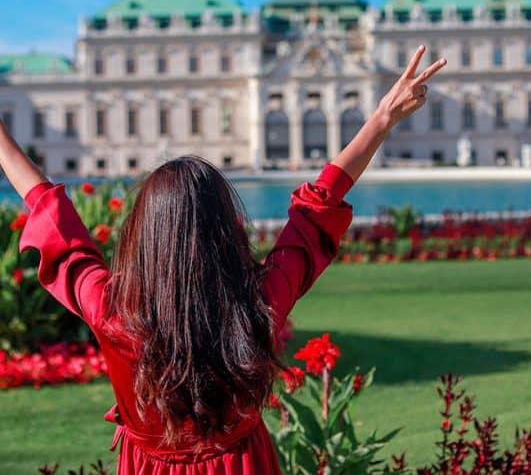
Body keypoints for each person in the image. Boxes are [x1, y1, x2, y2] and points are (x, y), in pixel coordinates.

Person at [1, 46, 445, 474]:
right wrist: (382, 118)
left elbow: (52, 215)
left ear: (143, 233)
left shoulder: (113, 311)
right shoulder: (258, 303)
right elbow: (315, 211)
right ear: (223, 230)